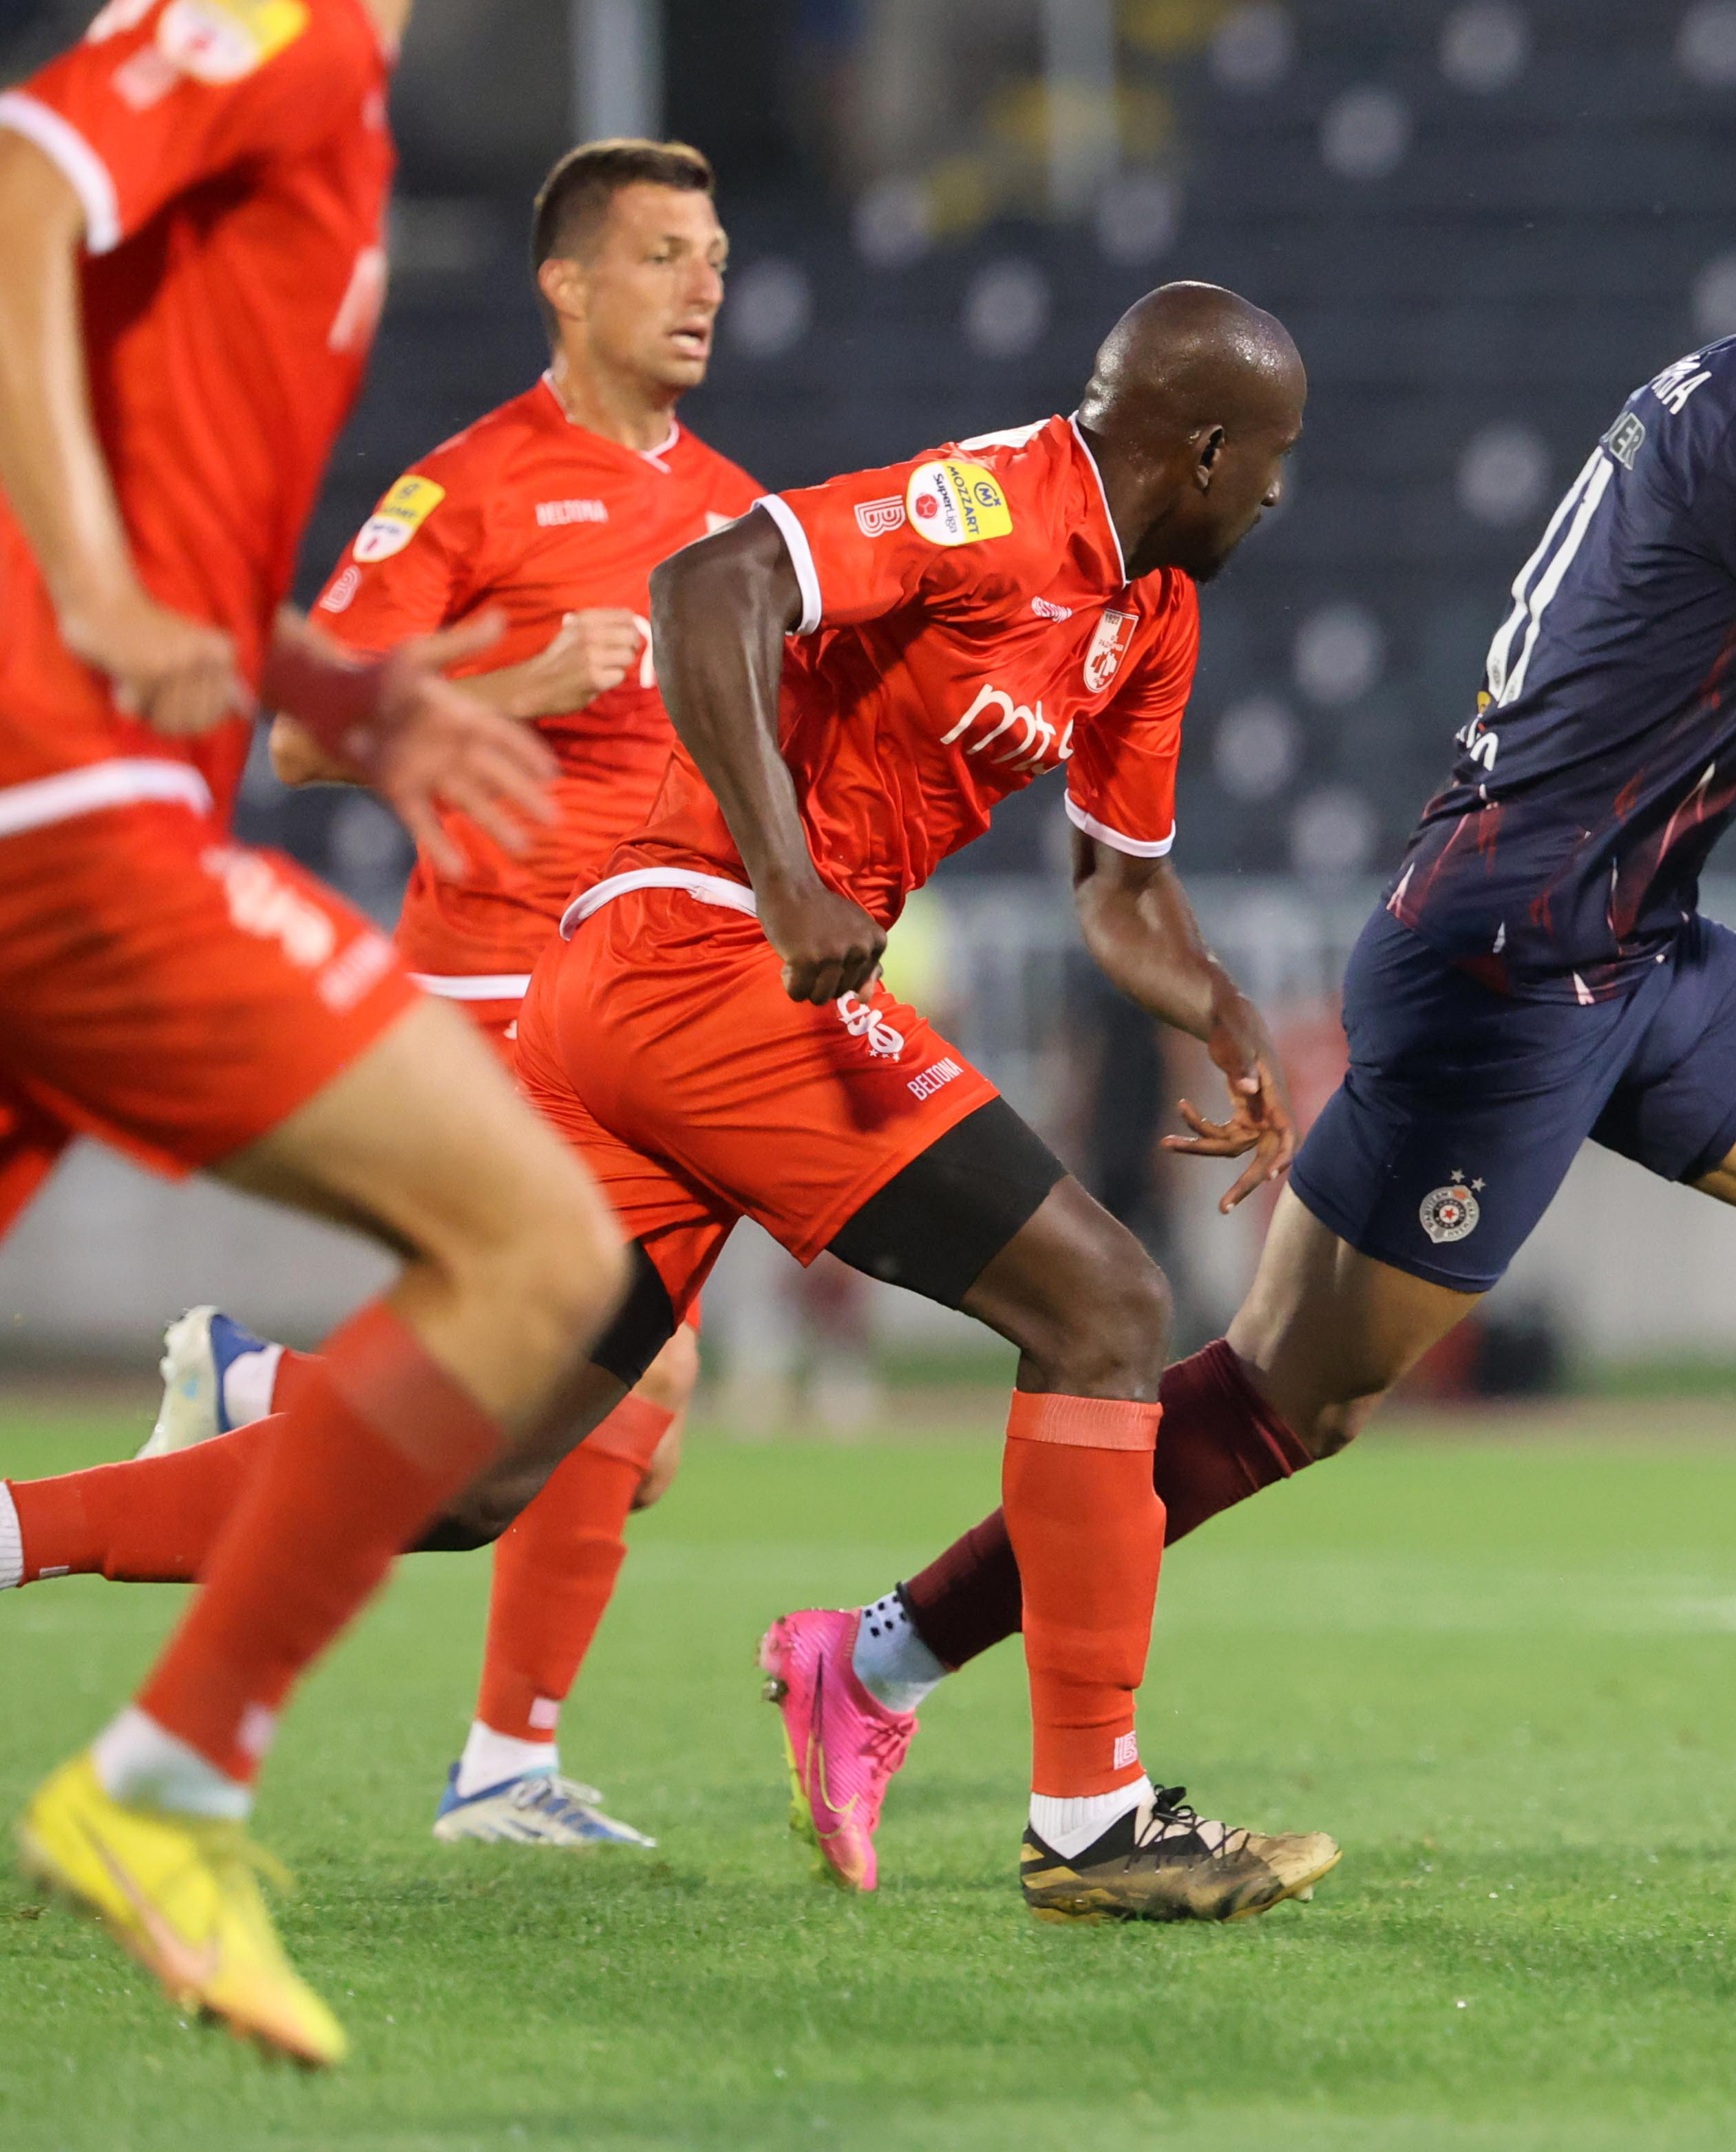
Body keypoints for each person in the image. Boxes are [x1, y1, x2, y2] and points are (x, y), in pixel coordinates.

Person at [756, 131, 1736, 1888]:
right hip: (1510, 968)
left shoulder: (1721, 392)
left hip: (1625, 938)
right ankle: (873, 1657)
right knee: (1285, 1400)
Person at [6, 279, 1346, 1928]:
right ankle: (1090, 1815)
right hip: (699, 957)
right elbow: (710, 579)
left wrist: (1220, 1009)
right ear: (1203, 447)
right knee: (1106, 1301)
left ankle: (16, 1530)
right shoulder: (990, 504)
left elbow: (1120, 891)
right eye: (1269, 460)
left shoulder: (1151, 615)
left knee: (475, 1478)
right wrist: (787, 877)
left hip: (647, 997)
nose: (1280, 495)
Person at [0, 0, 634, 2069]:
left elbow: (141, 464)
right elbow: (9, 194)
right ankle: (167, 1785)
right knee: (541, 1260)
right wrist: (87, 595)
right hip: (60, 824)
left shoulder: (303, 71)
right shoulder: (262, 4)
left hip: (74, 786)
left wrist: (332, 686)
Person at [119, 137, 763, 1849]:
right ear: (567, 283)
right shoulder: (468, 490)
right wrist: (514, 670)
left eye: (714, 255)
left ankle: (265, 1393)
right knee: (637, 1373)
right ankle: (500, 1771)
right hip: (490, 981)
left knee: (611, 1419)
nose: (705, 286)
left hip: (650, 1004)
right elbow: (302, 732)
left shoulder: (733, 514)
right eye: (663, 257)